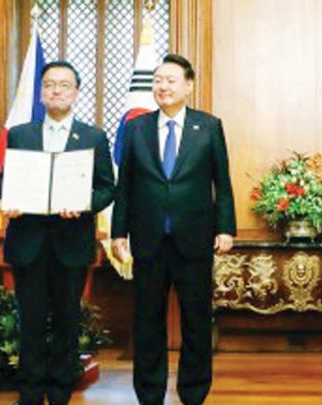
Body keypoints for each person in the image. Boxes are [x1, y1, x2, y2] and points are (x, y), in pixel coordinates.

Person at [111, 53, 236, 405]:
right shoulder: (136, 128)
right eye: (157, 80)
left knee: (196, 323)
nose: (162, 86)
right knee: (147, 323)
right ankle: (149, 394)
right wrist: (119, 233)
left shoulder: (208, 126)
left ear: (188, 85)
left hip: (194, 239)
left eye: (170, 80)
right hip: (148, 240)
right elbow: (126, 186)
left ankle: (193, 393)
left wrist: (225, 227)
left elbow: (221, 182)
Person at [1, 60, 115, 405]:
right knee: (31, 321)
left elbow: (106, 188)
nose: (56, 90)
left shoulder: (93, 136)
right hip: (29, 241)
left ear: (76, 93)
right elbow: (7, 183)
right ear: (40, 92)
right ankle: (31, 393)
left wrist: (83, 204)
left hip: (71, 243)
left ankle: (61, 390)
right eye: (49, 84)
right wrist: (12, 201)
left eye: (64, 85)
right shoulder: (21, 134)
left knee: (66, 321)